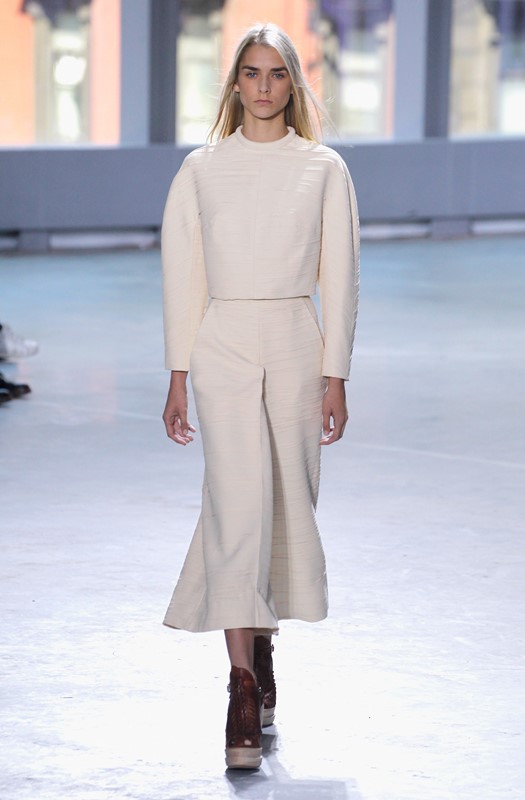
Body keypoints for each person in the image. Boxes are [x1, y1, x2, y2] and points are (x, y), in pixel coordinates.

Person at [161, 23, 359, 770]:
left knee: (285, 505)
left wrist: (336, 374)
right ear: (235, 83)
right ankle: (241, 684)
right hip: (223, 342)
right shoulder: (201, 169)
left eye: (277, 74)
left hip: (295, 340)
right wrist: (177, 374)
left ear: (293, 84)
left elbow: (340, 276)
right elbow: (184, 276)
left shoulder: (322, 168)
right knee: (237, 507)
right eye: (252, 72)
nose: (264, 86)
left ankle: (263, 643)